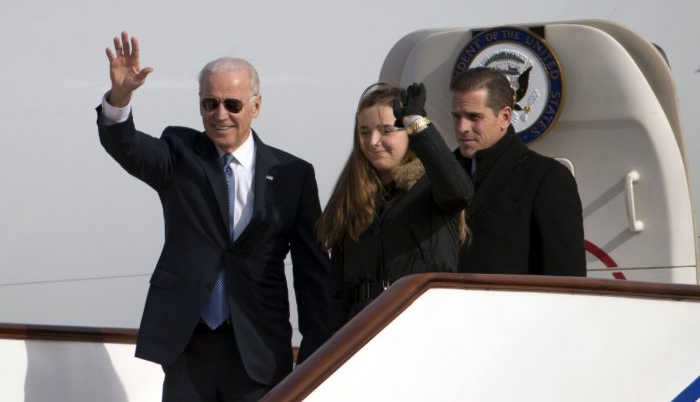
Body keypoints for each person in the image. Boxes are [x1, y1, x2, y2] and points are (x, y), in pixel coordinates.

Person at [96, 31, 329, 401]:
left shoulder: (292, 174)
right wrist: (120, 98)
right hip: (188, 344)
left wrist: (318, 356)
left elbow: (312, 273)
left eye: (232, 105)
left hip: (259, 348)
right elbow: (125, 146)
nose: (220, 115)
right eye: (210, 104)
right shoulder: (180, 153)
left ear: (256, 105)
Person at [316, 82, 473, 333]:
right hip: (362, 329)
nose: (373, 141)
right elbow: (337, 292)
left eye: (386, 130)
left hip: (424, 323)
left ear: (408, 133)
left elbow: (460, 192)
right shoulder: (351, 197)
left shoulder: (433, 185)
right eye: (364, 132)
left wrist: (417, 123)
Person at [450, 66, 586, 275]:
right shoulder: (439, 175)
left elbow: (567, 278)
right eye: (456, 116)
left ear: (505, 117)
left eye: (474, 117)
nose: (462, 127)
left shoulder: (547, 178)